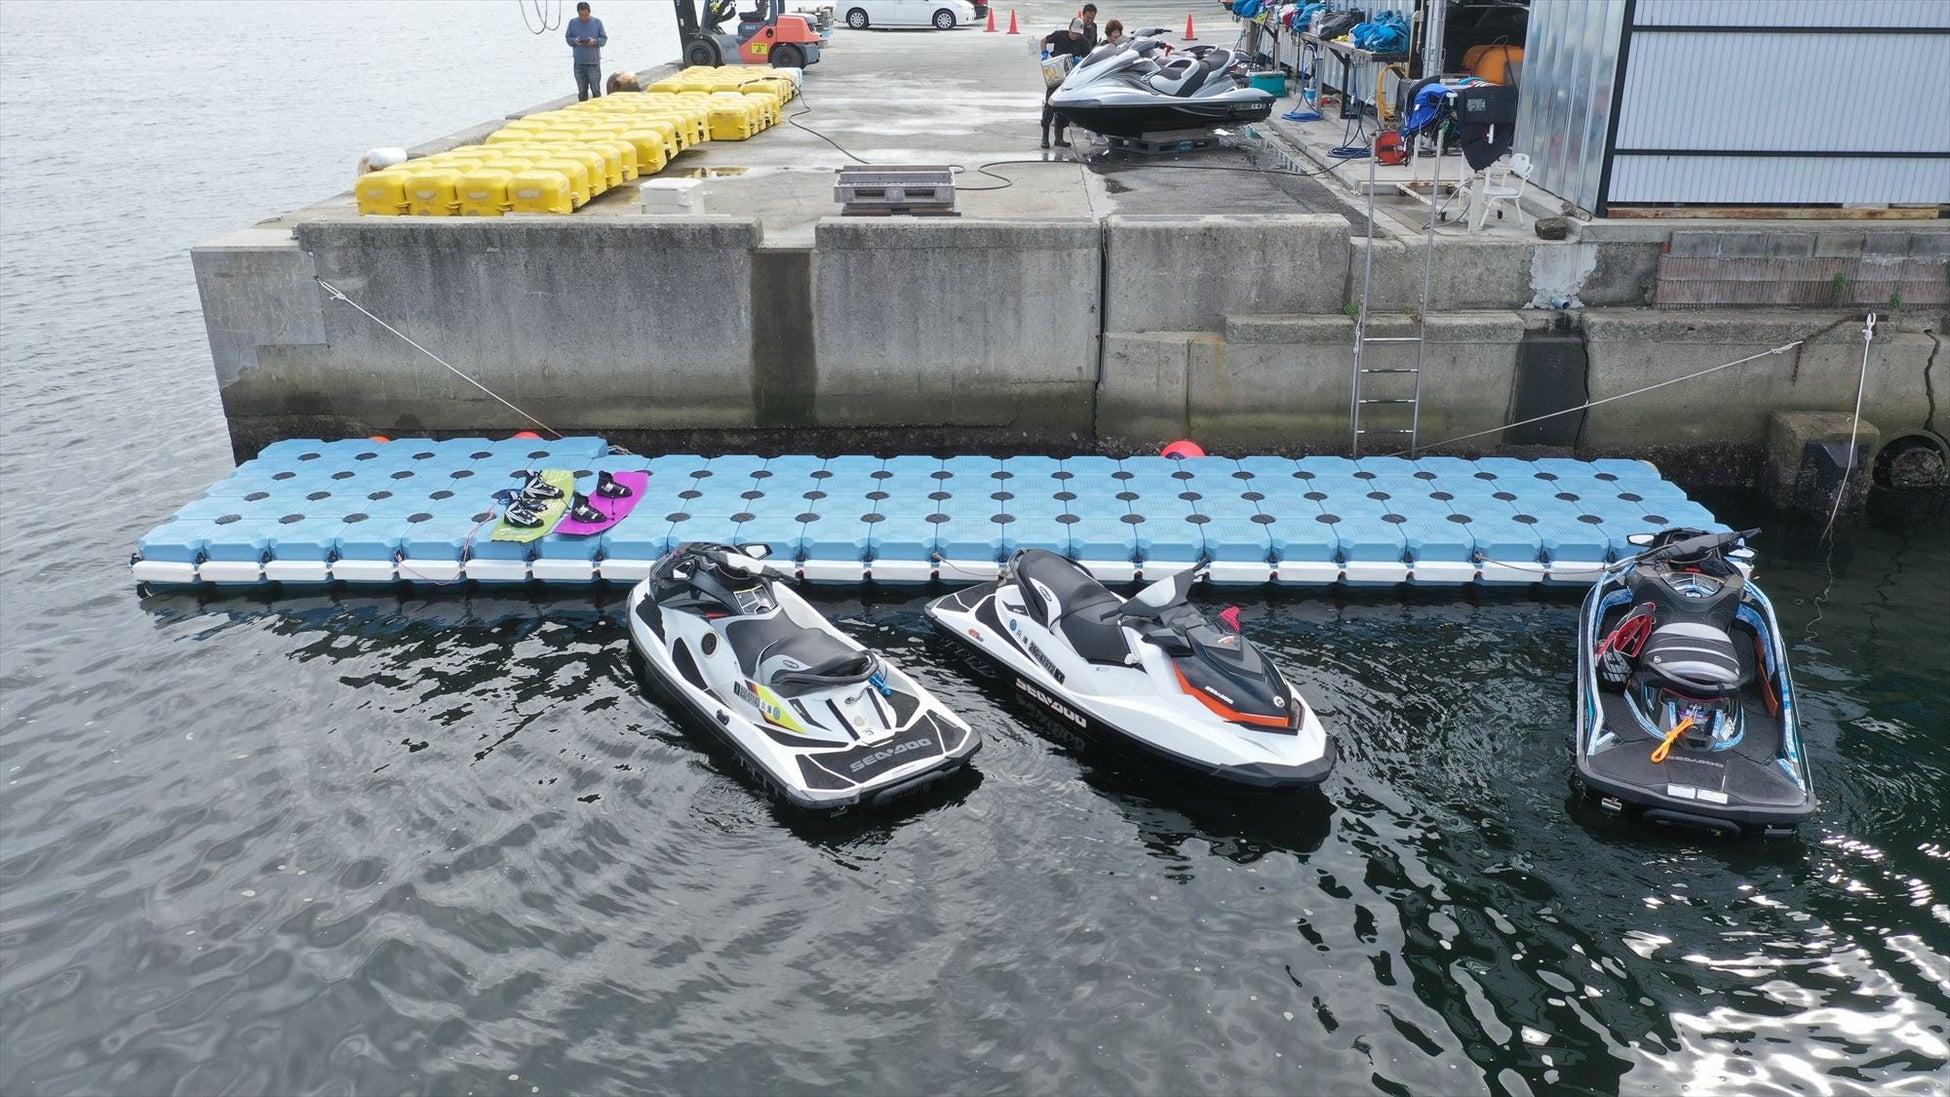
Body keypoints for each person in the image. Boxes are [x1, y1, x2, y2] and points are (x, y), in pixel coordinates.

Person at [1038, 4, 1098, 148]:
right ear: (1070, 29)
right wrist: (1044, 54)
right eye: (1073, 33)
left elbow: (1088, 59)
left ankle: (1059, 138)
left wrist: (1080, 61)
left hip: (1070, 78)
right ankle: (1044, 137)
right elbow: (1043, 40)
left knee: (1063, 108)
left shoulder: (1083, 41)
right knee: (1050, 104)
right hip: (1055, 75)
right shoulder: (1060, 35)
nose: (1075, 36)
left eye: (1078, 34)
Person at [566, 2, 607, 102]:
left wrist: (595, 41)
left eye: (586, 15)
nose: (583, 17)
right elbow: (568, 38)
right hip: (578, 63)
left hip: (593, 63)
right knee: (582, 92)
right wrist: (574, 41)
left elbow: (604, 39)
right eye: (581, 15)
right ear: (578, 13)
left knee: (596, 90)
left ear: (589, 12)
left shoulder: (597, 22)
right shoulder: (572, 23)